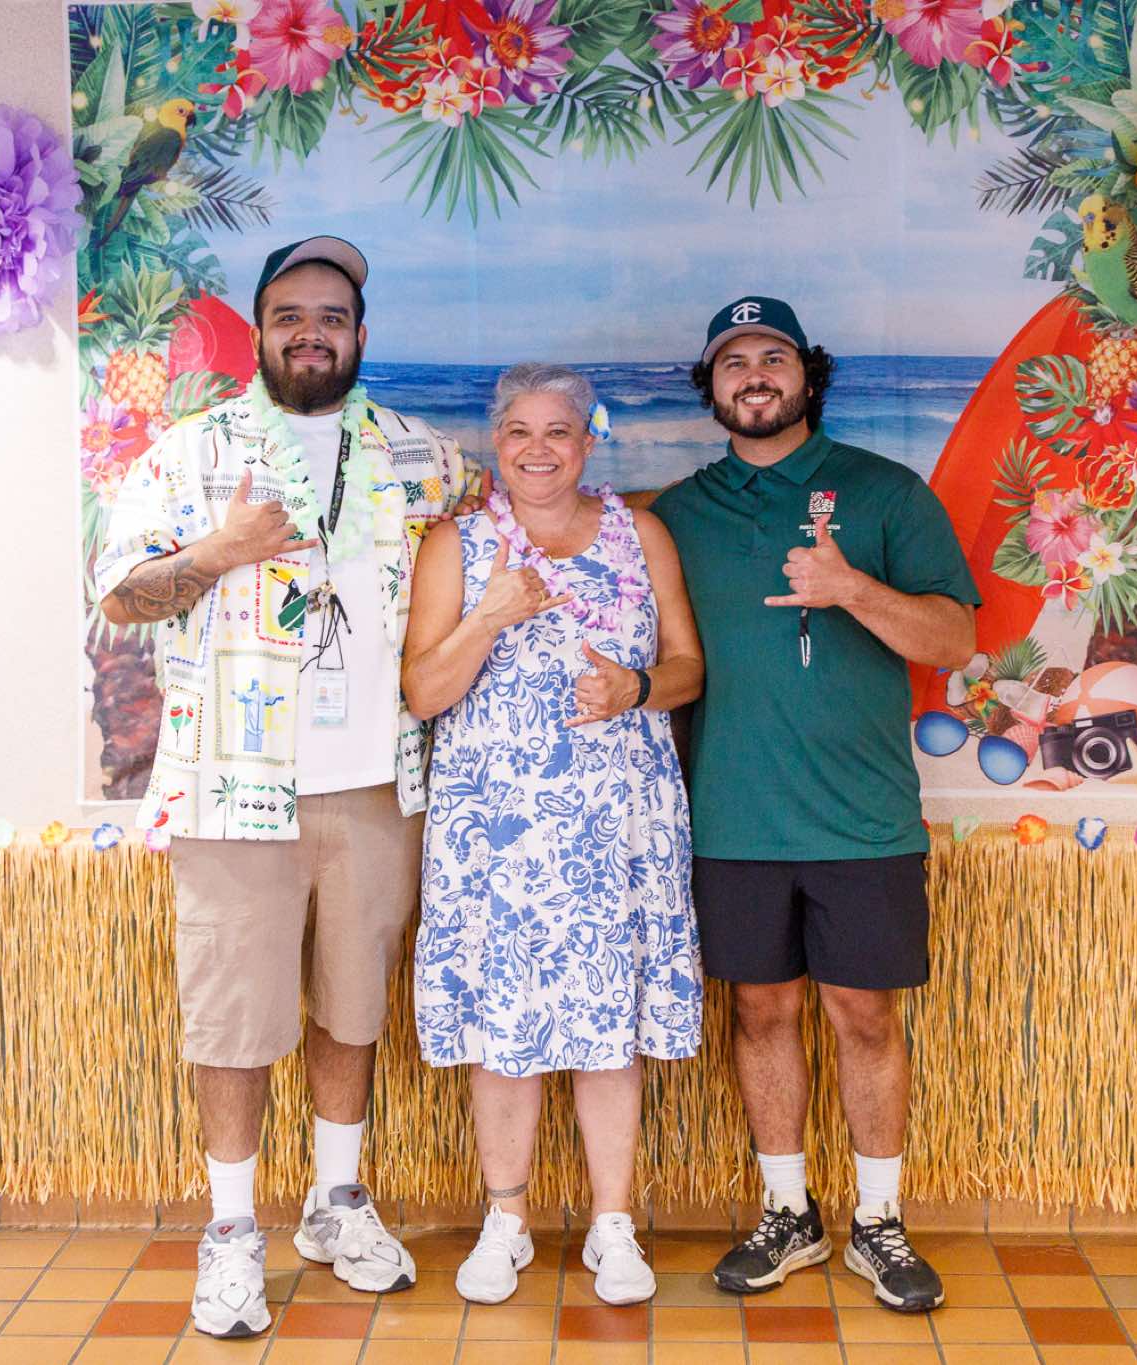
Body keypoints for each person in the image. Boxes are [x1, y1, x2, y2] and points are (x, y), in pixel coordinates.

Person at [93, 236, 478, 1339]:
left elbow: (518, 518)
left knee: (353, 1004)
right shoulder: (185, 454)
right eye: (290, 315)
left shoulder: (420, 455)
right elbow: (119, 595)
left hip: (378, 784)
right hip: (232, 783)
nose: (312, 332)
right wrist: (218, 551)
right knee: (233, 1015)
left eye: (332, 316)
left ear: (360, 333)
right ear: (261, 331)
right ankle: (229, 1232)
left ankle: (336, 1202)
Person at [649, 297, 981, 1314]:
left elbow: (953, 642)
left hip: (861, 818)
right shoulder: (675, 515)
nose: (753, 374)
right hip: (730, 815)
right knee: (760, 1010)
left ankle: (878, 1221)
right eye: (732, 361)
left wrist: (852, 589)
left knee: (863, 1014)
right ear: (710, 387)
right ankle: (787, 1211)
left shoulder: (885, 493)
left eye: (772, 356)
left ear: (807, 375)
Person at [401, 364, 706, 1307]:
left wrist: (635, 687)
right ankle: (506, 1220)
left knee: (609, 1022)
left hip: (615, 821)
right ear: (497, 442)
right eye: (520, 431)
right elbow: (424, 693)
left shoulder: (639, 533)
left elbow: (689, 667)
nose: (539, 449)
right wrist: (488, 616)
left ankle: (613, 1224)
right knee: (505, 1022)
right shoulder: (457, 544)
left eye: (559, 430)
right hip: (499, 828)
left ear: (588, 440)